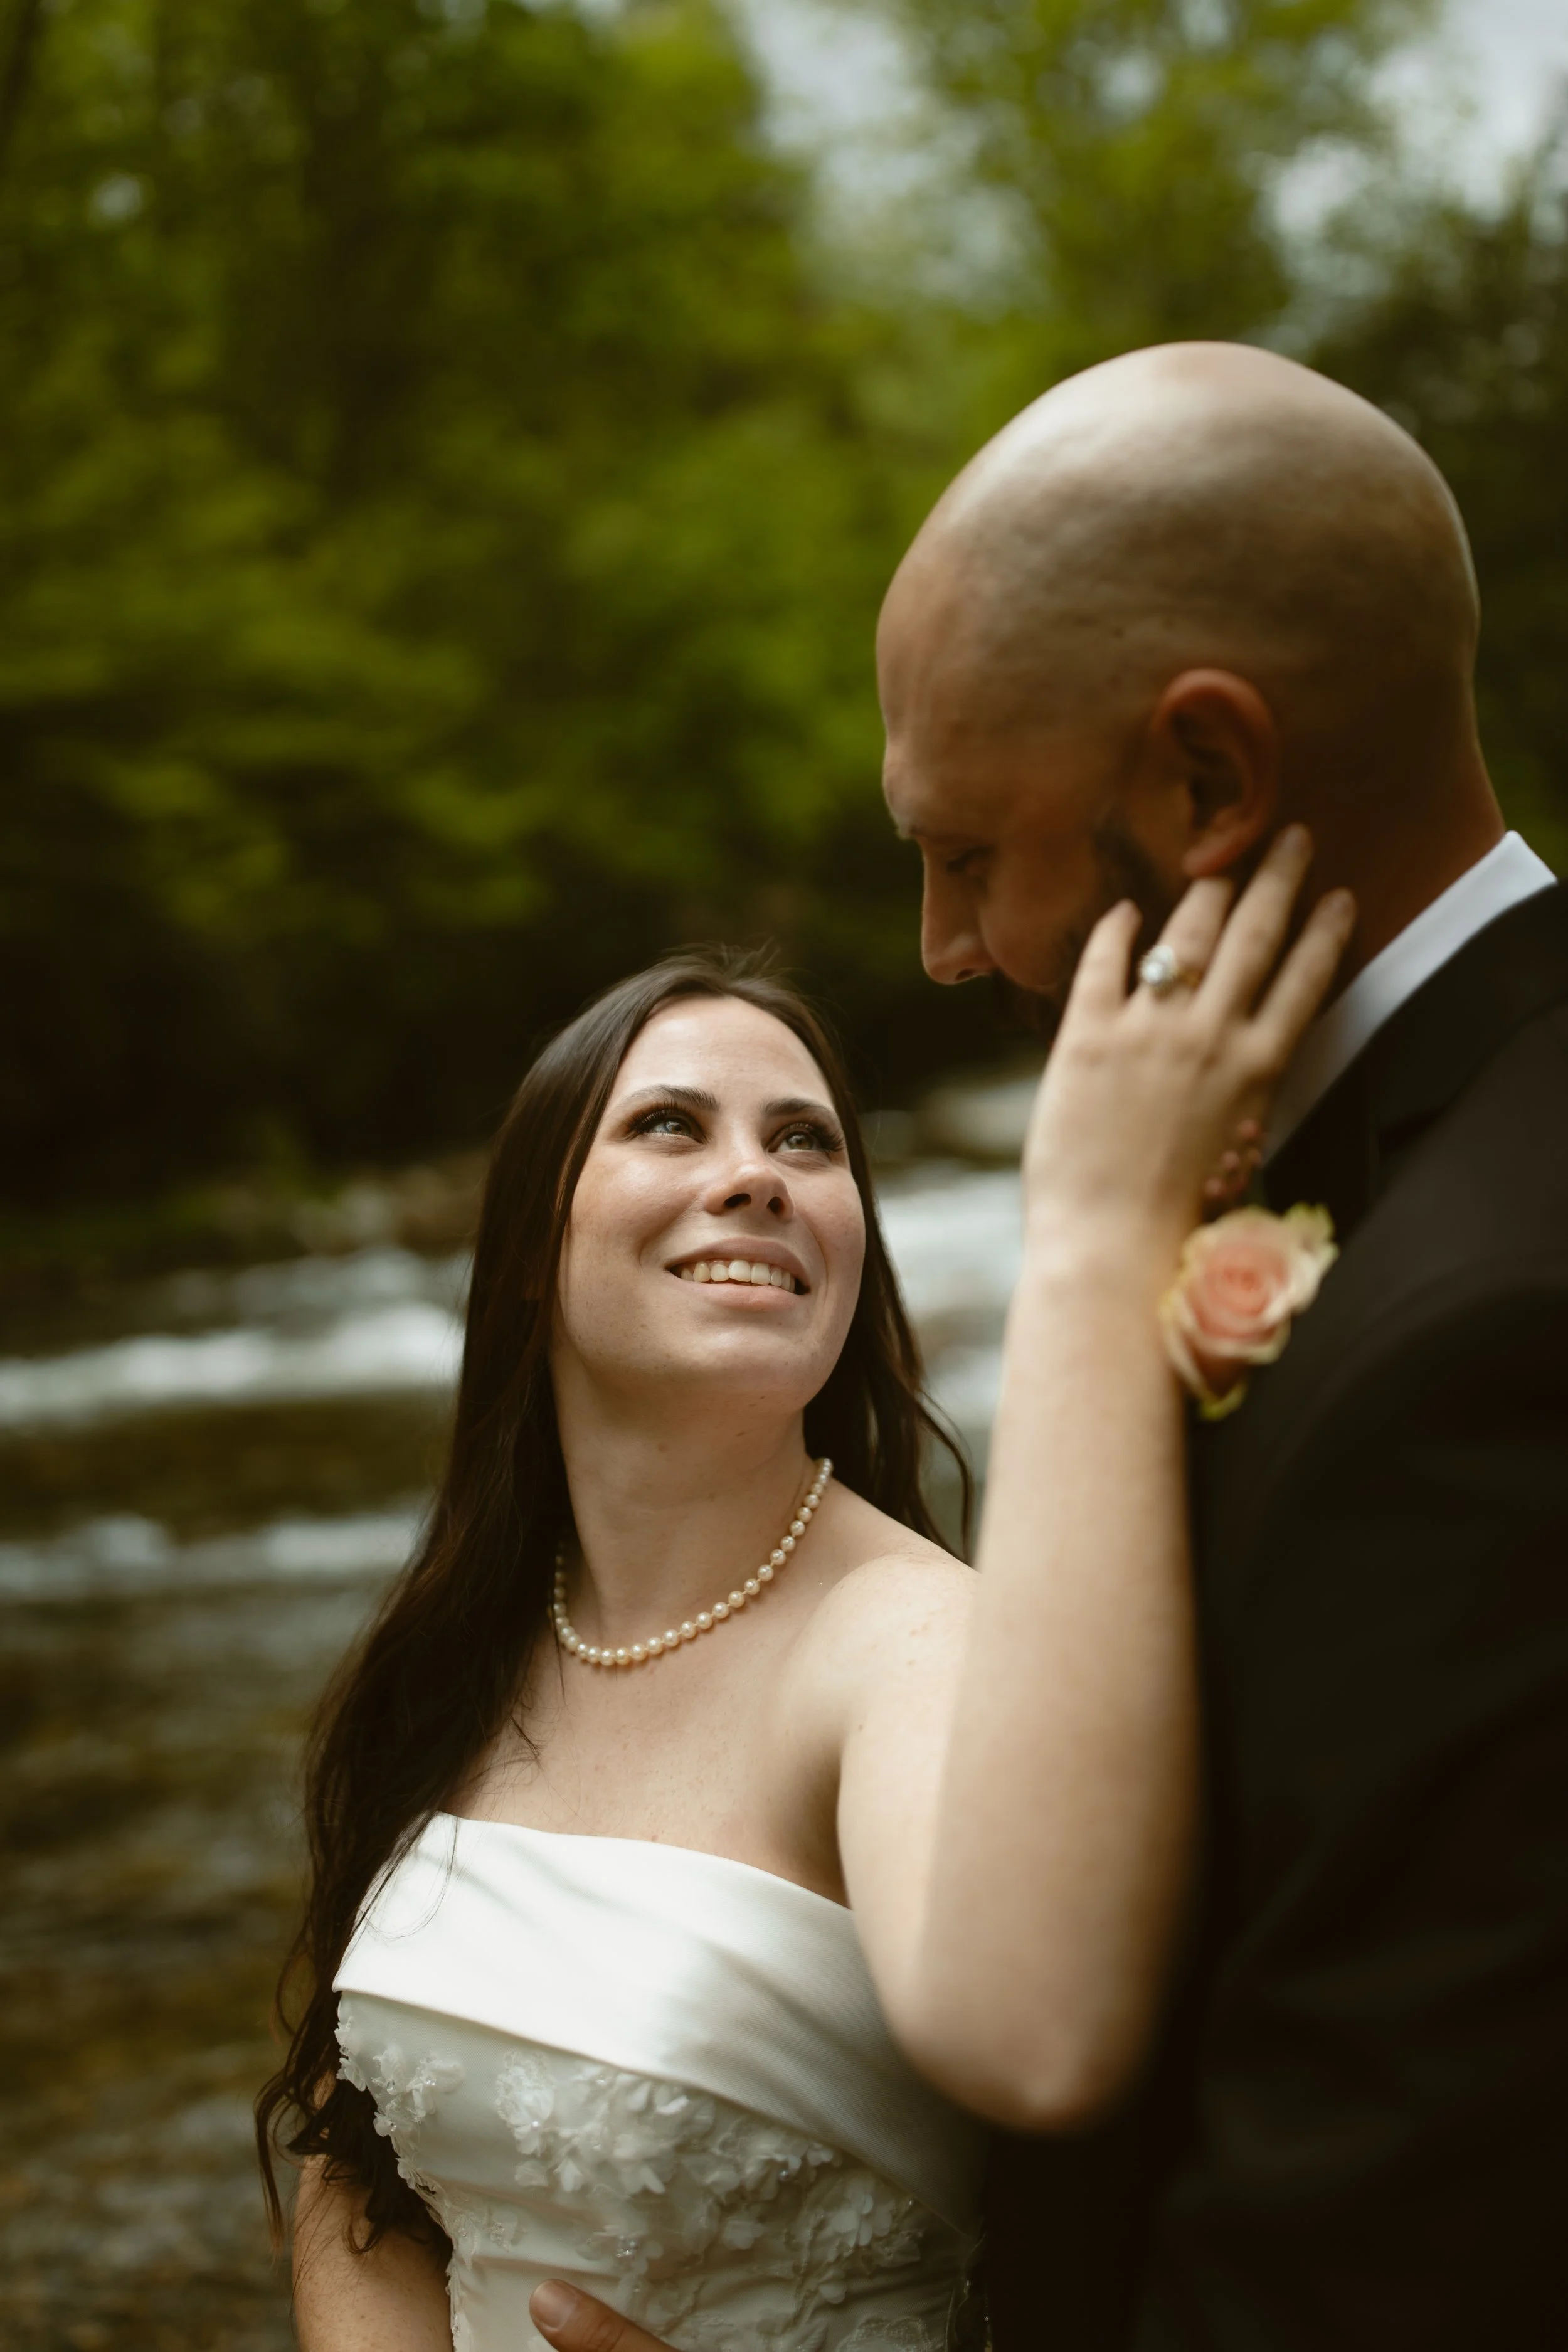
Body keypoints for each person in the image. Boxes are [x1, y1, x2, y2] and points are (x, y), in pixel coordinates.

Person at [532, 339, 1568, 2352]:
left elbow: (1388, 2241)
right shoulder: (1345, 1166)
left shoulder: (1495, 1329)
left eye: (963, 851)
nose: (935, 947)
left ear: (1205, 778)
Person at [258, 856, 1349, 2350]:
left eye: (804, 1141)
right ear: (525, 1250)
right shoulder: (453, 1651)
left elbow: (1051, 2086)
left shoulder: (912, 1652)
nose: (756, 1172)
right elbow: (353, 2173)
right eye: (667, 1126)